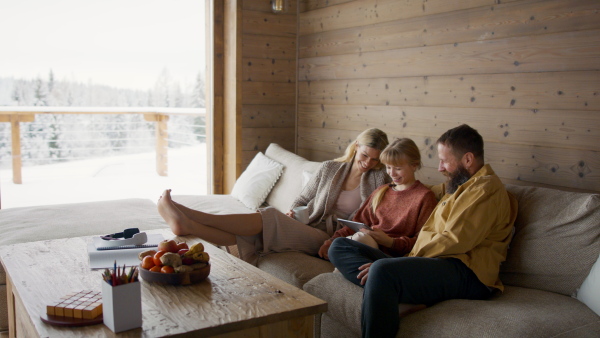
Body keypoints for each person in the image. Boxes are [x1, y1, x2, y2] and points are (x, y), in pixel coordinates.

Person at [328, 124, 518, 338]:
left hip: (467, 272)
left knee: (382, 271)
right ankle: (391, 291)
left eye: (444, 161)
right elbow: (418, 191)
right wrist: (399, 185)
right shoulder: (458, 185)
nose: (440, 168)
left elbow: (455, 241)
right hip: (437, 263)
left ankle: (387, 287)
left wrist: (401, 263)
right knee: (340, 247)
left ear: (467, 160)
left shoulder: (485, 190)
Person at [157, 128, 391, 265]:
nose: (368, 163)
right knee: (250, 237)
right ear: (356, 146)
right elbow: (301, 200)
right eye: (364, 155)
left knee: (269, 215)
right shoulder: (330, 168)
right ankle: (186, 225)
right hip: (308, 224)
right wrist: (292, 211)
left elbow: (372, 221)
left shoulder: (379, 180)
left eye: (375, 159)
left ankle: (191, 214)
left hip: (333, 238)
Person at [319, 138, 437, 260]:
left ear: (414, 165)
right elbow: (356, 223)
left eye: (398, 168)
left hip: (391, 256)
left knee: (358, 239)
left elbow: (422, 242)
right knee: (341, 243)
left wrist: (390, 242)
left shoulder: (425, 197)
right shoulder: (382, 191)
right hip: (366, 247)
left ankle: (341, 264)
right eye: (388, 167)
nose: (392, 173)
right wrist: (331, 240)